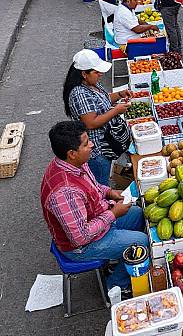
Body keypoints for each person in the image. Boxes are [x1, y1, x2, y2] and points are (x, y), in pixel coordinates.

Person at [42, 120, 148, 292]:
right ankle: (116, 285)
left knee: (138, 214)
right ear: (72, 153)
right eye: (86, 144)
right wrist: (113, 214)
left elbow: (95, 187)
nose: (92, 145)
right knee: (142, 242)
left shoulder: (75, 163)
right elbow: (80, 237)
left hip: (98, 218)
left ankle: (120, 260)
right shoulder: (64, 192)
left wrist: (110, 192)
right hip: (81, 247)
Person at [63, 50, 132, 185]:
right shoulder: (79, 93)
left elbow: (103, 99)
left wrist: (119, 94)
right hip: (98, 150)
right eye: (96, 72)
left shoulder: (91, 83)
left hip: (106, 144)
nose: (100, 74)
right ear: (84, 73)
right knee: (101, 185)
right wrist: (116, 110)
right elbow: (91, 123)